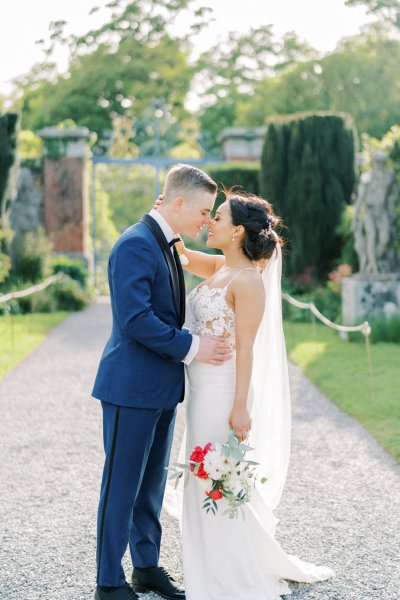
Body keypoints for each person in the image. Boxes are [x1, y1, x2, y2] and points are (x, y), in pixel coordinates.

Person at [165, 191, 335, 599]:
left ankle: (229, 573)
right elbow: (181, 253)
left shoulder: (249, 282)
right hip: (202, 390)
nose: (210, 222)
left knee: (215, 477)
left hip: (225, 394)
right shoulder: (222, 267)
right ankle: (207, 564)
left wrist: (240, 407)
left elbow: (247, 349)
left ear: (238, 230)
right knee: (202, 477)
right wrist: (167, 211)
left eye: (217, 216)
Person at [91, 164, 233, 600]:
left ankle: (146, 567)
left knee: (150, 485)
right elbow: (136, 320)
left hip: (162, 389)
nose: (207, 221)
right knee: (122, 484)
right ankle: (108, 582)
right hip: (130, 388)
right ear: (177, 203)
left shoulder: (170, 245)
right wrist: (194, 347)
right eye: (204, 210)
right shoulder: (134, 244)